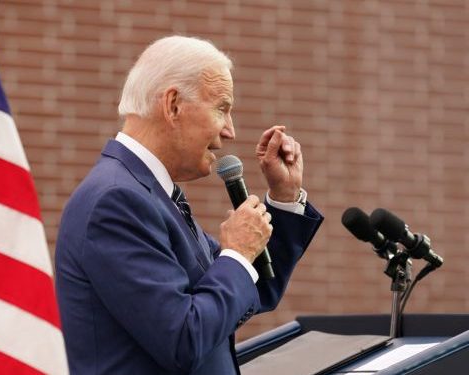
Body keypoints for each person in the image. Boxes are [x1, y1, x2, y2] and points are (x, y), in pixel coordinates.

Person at [55, 35, 323, 375]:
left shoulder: (151, 193)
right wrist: (238, 254)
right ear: (173, 106)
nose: (230, 131)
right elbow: (183, 337)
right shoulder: (116, 201)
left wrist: (283, 198)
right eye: (222, 109)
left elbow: (252, 287)